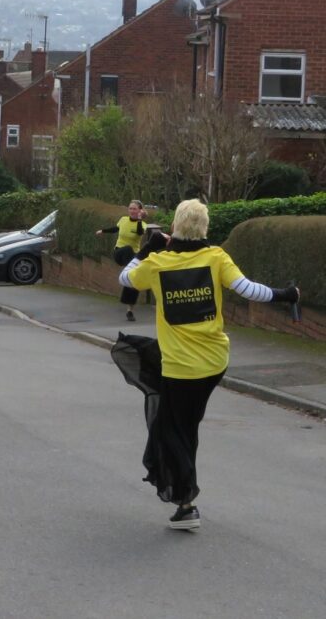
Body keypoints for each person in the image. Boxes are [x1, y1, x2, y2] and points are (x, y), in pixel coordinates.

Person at [117, 199, 299, 530]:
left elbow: (125, 278)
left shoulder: (158, 263)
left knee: (173, 430)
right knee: (183, 424)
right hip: (214, 363)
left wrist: (146, 249)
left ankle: (186, 504)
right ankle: (184, 498)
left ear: (174, 227)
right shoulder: (216, 258)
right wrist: (286, 294)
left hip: (180, 368)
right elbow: (248, 289)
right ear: (204, 228)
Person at [96, 199, 148, 321]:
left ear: (140, 211)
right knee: (128, 249)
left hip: (131, 257)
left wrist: (140, 219)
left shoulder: (143, 225)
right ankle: (128, 270)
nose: (132, 211)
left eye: (134, 209)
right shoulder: (123, 220)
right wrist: (103, 231)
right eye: (130, 208)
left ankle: (130, 310)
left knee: (133, 281)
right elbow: (116, 228)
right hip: (119, 253)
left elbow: (140, 232)